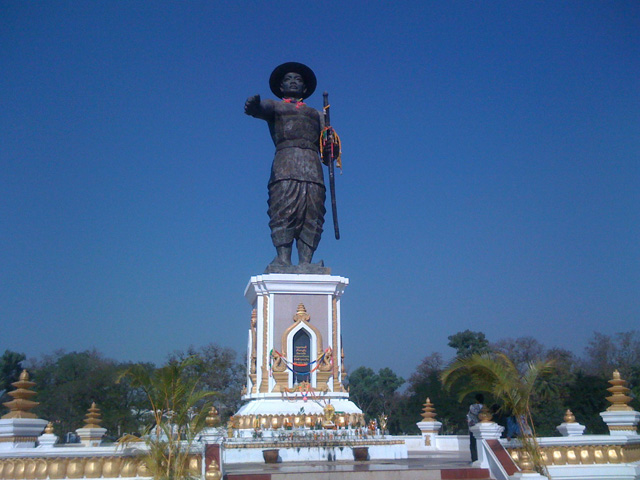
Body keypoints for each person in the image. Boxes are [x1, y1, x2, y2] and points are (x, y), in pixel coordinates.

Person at [245, 62, 338, 272]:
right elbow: (262, 109)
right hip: (285, 165)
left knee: (312, 211)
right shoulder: (276, 106)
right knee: (283, 209)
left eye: (298, 79)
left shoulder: (318, 114)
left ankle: (306, 261)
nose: (293, 82)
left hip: (312, 167)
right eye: (288, 79)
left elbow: (327, 149)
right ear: (280, 87)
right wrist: (255, 107)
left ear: (305, 88)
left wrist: (331, 145)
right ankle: (283, 259)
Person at [467, 393, 484, 463]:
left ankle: (474, 459)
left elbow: (469, 416)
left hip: (473, 428)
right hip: (482, 428)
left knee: (473, 444)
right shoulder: (484, 407)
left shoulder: (472, 407)